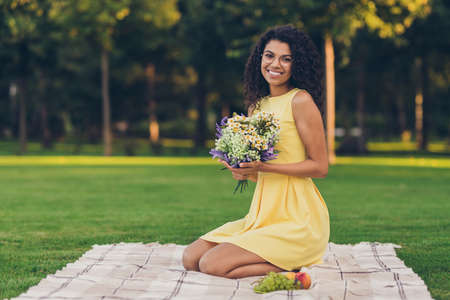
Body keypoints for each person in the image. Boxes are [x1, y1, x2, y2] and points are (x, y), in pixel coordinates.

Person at [182, 25, 330, 279]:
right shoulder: (256, 107)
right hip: (263, 215)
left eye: (287, 58)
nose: (276, 64)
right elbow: (260, 175)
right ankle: (280, 260)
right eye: (270, 55)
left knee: (212, 265)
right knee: (191, 258)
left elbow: (320, 166)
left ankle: (291, 268)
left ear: (298, 65)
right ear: (260, 58)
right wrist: (243, 171)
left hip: (298, 220)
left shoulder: (300, 100)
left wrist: (265, 167)